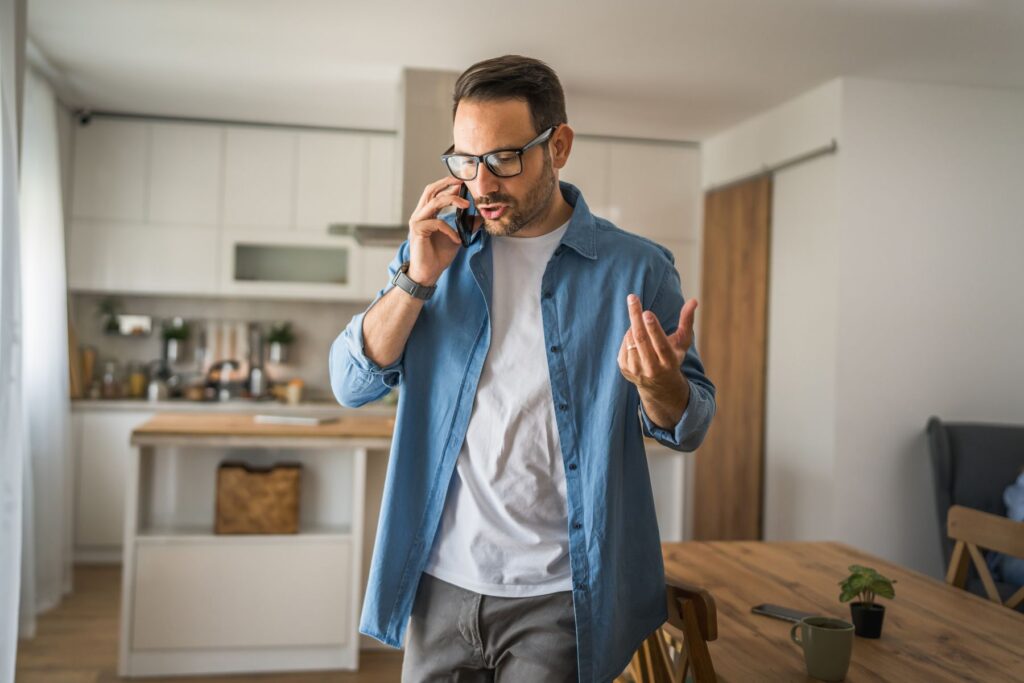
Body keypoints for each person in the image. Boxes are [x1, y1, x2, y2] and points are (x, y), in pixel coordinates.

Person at [329, 55, 716, 683]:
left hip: (559, 597)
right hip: (439, 581)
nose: (481, 184)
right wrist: (415, 278)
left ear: (557, 146)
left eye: (504, 159)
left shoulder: (638, 270)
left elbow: (690, 423)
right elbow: (350, 385)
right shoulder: (436, 253)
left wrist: (660, 386)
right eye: (464, 159)